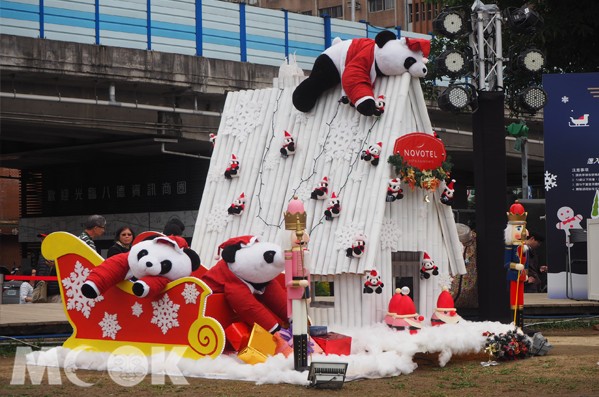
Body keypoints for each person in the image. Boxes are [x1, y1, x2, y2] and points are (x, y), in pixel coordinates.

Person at [504, 201, 528, 330]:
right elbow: (506, 263)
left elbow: (526, 262)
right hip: (514, 276)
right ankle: (514, 326)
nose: (522, 232)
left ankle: (521, 326)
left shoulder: (524, 247)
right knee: (514, 301)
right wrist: (515, 266)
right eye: (518, 228)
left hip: (522, 277)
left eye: (523, 227)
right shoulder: (509, 247)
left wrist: (526, 271)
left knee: (521, 302)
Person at [36, 233, 61, 303]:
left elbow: (65, 271)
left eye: (44, 239)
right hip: (42, 292)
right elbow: (38, 272)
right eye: (41, 240)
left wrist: (54, 266)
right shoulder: (42, 255)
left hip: (55, 292)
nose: (42, 241)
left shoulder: (58, 253)